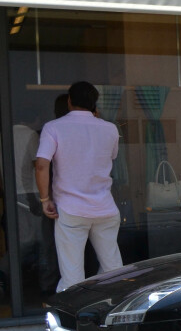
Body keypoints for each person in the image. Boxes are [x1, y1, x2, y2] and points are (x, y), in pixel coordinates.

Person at [34, 81, 124, 292]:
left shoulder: (53, 127)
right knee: (114, 269)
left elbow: (41, 165)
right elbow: (111, 157)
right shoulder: (110, 129)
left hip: (71, 210)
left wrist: (45, 199)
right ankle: (112, 312)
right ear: (94, 104)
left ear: (69, 101)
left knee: (72, 275)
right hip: (105, 208)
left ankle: (72, 320)